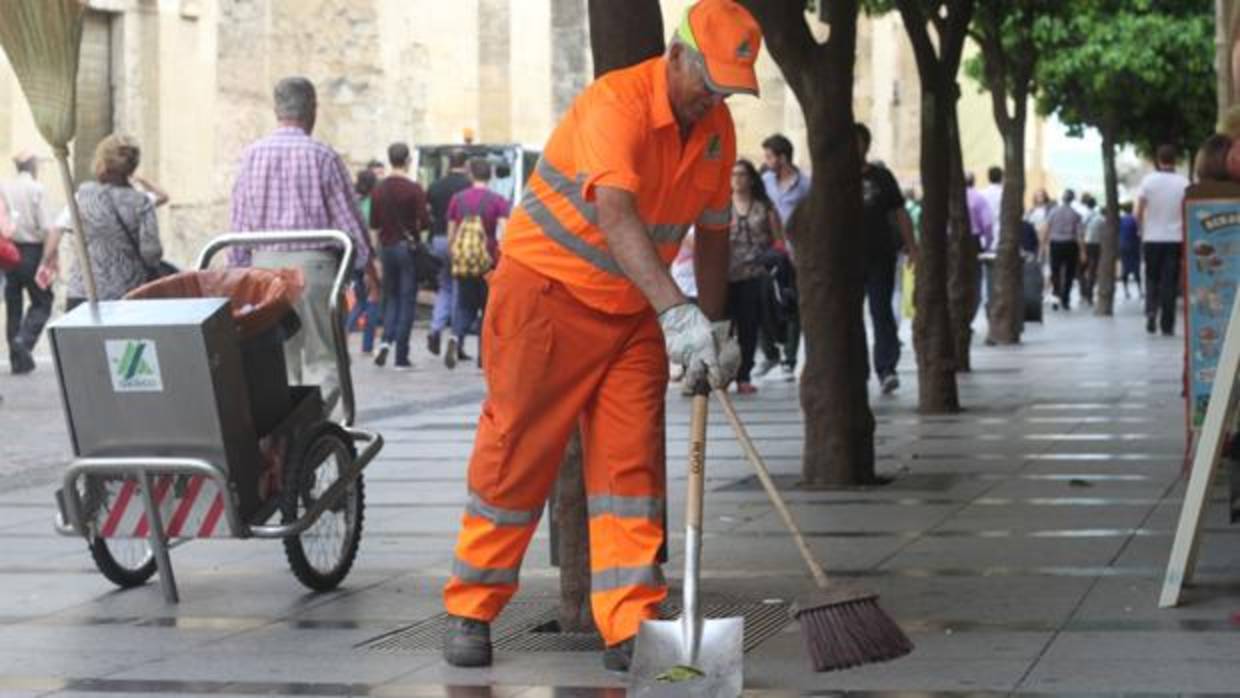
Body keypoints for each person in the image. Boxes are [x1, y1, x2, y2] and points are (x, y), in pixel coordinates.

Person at [441, 0, 756, 672]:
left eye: (729, 92)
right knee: (517, 452)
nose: (715, 103)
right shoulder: (617, 102)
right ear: (676, 56)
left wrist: (715, 322)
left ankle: (631, 622)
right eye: (710, 85)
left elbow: (716, 233)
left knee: (630, 470)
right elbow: (614, 215)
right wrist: (678, 313)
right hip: (545, 300)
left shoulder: (717, 131)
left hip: (633, 313)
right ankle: (471, 605)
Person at [230, 76, 378, 410]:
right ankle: (308, 430)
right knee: (325, 357)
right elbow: (348, 219)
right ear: (312, 109)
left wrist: (238, 273)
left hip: (264, 268)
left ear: (276, 109)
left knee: (280, 362)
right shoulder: (322, 155)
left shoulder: (250, 155)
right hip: (314, 267)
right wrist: (366, 265)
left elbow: (238, 219)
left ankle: (288, 435)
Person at [61, 135, 164, 310]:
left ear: (102, 161)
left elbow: (71, 233)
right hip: (126, 295)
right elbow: (152, 253)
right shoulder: (141, 202)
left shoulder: (83, 195)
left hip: (83, 292)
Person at [858, 123, 918, 394]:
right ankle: (856, 370)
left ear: (866, 145)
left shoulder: (882, 176)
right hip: (845, 260)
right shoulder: (833, 177)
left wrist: (912, 247)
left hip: (880, 255)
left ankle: (886, 368)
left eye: (858, 142)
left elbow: (900, 213)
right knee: (847, 316)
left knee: (881, 311)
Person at [444, 157, 510, 369]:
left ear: (470, 175)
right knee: (486, 309)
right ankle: (483, 358)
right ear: (489, 175)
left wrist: (454, 253)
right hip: (487, 260)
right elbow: (504, 231)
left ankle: (455, 336)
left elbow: (452, 231)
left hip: (464, 259)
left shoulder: (458, 199)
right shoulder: (498, 200)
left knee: (464, 304)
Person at [370, 142, 430, 370]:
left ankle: (385, 341)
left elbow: (374, 226)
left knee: (391, 298)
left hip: (386, 248)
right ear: (407, 161)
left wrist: (376, 256)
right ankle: (401, 356)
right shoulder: (414, 189)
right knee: (407, 301)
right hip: (407, 249)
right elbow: (423, 222)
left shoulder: (379, 189)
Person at [727, 158, 781, 394]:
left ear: (751, 179)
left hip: (754, 274)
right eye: (733, 174)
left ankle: (744, 375)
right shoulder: (720, 206)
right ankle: (722, 373)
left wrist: (771, 259)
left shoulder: (764, 207)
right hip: (724, 275)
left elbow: (779, 240)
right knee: (723, 328)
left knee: (749, 327)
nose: (737, 179)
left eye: (742, 174)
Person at [759, 133, 810, 379]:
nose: (766, 161)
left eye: (769, 156)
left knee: (791, 303)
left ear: (782, 157)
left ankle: (789, 358)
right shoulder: (764, 181)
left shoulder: (804, 185)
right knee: (764, 301)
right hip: (769, 252)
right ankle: (770, 351)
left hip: (795, 252)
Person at [3, 151, 58, 375]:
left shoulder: (5, 187)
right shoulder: (37, 189)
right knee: (43, 300)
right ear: (33, 166)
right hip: (34, 251)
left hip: (10, 252)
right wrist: (50, 258)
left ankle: (17, 359)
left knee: (13, 305)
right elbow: (47, 227)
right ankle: (24, 340)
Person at [1136, 144, 1189, 336]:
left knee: (1152, 277)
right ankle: (1167, 324)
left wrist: (1141, 228)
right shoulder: (1183, 183)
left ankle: (1151, 311)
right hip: (1175, 238)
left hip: (1152, 237)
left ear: (1158, 160)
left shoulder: (1148, 181)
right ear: (1175, 160)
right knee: (1169, 281)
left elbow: (1139, 209)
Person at [426, 150, 472, 356]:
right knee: (460, 289)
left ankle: (435, 328)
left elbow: (428, 213)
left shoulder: (435, 186)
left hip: (438, 238)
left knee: (444, 286)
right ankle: (456, 336)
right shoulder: (468, 187)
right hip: (460, 239)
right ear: (466, 164)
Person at [346, 169, 381, 355]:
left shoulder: (350, 200)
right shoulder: (371, 203)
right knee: (374, 297)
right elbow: (372, 233)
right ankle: (367, 345)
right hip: (367, 255)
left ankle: (344, 334)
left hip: (350, 255)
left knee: (360, 300)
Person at [1043, 189, 1084, 311]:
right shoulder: (1076, 215)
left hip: (1056, 244)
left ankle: (1056, 298)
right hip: (1071, 244)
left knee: (1055, 272)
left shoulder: (1053, 212)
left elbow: (1046, 228)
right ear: (1072, 199)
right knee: (1069, 273)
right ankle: (1066, 299)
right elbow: (1079, 234)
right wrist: (1082, 251)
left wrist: (1044, 244)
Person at [965, 172, 993, 322]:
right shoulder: (979, 198)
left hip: (952, 242)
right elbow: (987, 224)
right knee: (975, 279)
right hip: (972, 242)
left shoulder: (949, 197)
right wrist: (987, 244)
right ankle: (969, 316)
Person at [1079, 193, 1105, 306]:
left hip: (1084, 245)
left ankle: (1084, 292)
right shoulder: (1100, 218)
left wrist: (1081, 250)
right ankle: (1089, 294)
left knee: (1080, 270)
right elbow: (1103, 234)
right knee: (1093, 270)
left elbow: (1080, 232)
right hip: (1096, 245)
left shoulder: (1083, 216)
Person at [1118, 202, 1141, 299]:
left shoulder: (1121, 220)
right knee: (1136, 269)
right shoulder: (1135, 220)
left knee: (1125, 269)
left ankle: (1126, 291)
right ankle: (1140, 290)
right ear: (1131, 208)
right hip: (1134, 247)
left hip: (1123, 247)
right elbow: (1139, 233)